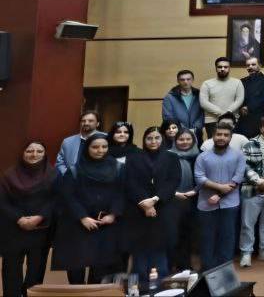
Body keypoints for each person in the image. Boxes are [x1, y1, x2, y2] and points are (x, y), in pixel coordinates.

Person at [52, 134, 124, 284]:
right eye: (95, 147)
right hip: (78, 224)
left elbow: (121, 193)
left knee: (100, 269)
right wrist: (82, 217)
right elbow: (68, 197)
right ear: (87, 148)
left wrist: (113, 214)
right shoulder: (75, 169)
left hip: (105, 224)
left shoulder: (118, 168)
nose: (100, 150)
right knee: (76, 267)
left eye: (104, 147)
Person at [123, 127, 180, 280]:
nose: (153, 141)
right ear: (144, 140)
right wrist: (145, 203)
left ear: (162, 139)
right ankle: (138, 286)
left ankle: (160, 286)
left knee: (161, 253)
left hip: (163, 209)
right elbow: (130, 182)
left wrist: (155, 199)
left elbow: (173, 181)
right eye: (149, 138)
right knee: (139, 254)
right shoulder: (134, 157)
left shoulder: (172, 157)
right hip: (138, 210)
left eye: (157, 138)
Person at [1, 141, 55, 297]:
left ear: (45, 154)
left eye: (39, 151)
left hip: (41, 230)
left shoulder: (53, 174)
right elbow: (2, 201)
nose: (34, 154)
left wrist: (39, 217)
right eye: (30, 151)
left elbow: (56, 199)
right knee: (11, 270)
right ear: (23, 153)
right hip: (14, 229)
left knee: (36, 271)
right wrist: (19, 219)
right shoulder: (9, 175)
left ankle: (31, 294)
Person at [232, 115, 264, 268]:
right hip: (251, 189)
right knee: (247, 224)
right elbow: (244, 165)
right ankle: (246, 253)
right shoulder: (249, 144)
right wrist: (258, 180)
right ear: (261, 128)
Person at [195, 124, 247, 270]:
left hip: (230, 204)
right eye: (219, 134)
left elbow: (238, 178)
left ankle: (225, 269)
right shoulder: (202, 157)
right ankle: (207, 270)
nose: (222, 138)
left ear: (230, 137)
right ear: (213, 136)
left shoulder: (239, 156)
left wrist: (219, 194)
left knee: (227, 237)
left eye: (225, 135)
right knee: (207, 237)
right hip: (206, 203)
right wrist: (220, 188)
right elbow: (199, 178)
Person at [167, 129, 200, 271]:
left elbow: (203, 177)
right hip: (172, 201)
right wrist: (175, 193)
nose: (185, 142)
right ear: (175, 141)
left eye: (188, 139)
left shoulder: (198, 156)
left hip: (193, 200)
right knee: (172, 234)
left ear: (193, 140)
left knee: (189, 235)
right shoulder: (168, 156)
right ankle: (170, 265)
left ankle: (185, 266)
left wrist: (195, 191)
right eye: (181, 139)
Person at [200, 57, 246, 139]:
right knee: (214, 143)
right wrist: (222, 113)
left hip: (232, 120)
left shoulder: (237, 82)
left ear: (229, 68)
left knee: (232, 143)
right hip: (212, 121)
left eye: (225, 67)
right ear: (216, 68)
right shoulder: (207, 83)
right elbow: (203, 102)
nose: (222, 69)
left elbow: (240, 99)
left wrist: (229, 111)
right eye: (220, 67)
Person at [163, 69, 205, 140]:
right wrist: (182, 130)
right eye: (182, 80)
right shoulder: (169, 97)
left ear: (192, 80)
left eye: (188, 79)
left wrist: (195, 129)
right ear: (178, 81)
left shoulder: (199, 95)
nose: (185, 82)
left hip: (196, 133)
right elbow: (168, 117)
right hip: (177, 134)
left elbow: (202, 114)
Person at [56, 110, 102, 174]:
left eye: (90, 121)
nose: (86, 123)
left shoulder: (106, 139)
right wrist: (67, 174)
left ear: (97, 124)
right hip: (72, 179)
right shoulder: (67, 141)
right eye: (83, 121)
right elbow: (60, 162)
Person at [239, 57, 264, 137]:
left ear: (260, 66)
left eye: (253, 64)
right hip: (245, 118)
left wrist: (249, 107)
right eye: (248, 65)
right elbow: (238, 97)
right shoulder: (242, 81)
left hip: (261, 117)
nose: (250, 67)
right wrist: (241, 108)